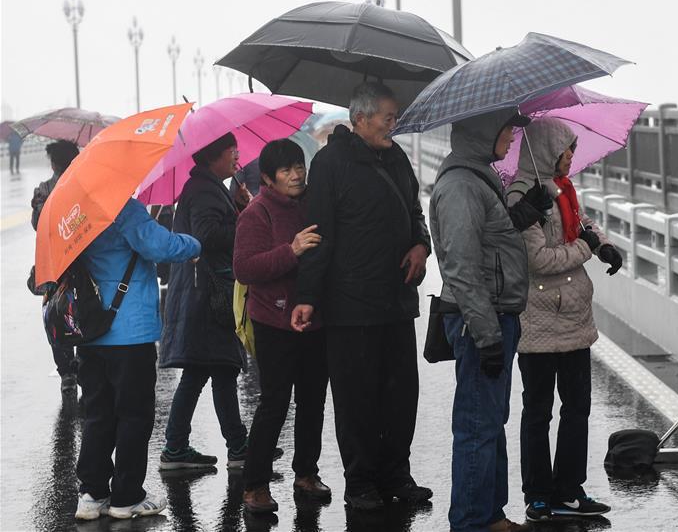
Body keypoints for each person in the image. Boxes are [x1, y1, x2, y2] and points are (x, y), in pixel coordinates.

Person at [291, 81, 432, 511]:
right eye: (388, 117)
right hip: (349, 305)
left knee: (401, 395)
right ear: (360, 119)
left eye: (395, 117)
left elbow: (414, 212)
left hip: (396, 300)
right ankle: (361, 483)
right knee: (356, 400)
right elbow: (319, 235)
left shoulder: (398, 158)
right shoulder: (330, 164)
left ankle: (397, 475)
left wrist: (421, 245)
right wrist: (308, 296)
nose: (394, 125)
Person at [429, 107, 551, 532]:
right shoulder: (462, 185)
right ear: (484, 132)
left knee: (490, 421)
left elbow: (489, 239)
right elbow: (462, 266)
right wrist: (486, 337)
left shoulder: (477, 176)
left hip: (495, 314)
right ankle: (470, 521)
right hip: (481, 320)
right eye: (506, 130)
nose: (511, 138)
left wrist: (525, 212)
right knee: (477, 425)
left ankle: (490, 514)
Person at [506, 118, 620, 521]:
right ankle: (538, 495)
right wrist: (588, 250)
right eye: (567, 148)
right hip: (538, 317)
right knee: (538, 410)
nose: (572, 155)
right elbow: (537, 260)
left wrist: (604, 245)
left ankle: (569, 490)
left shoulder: (562, 190)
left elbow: (583, 226)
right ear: (548, 149)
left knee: (577, 408)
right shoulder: (525, 194)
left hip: (573, 316)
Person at [74, 198, 201, 520]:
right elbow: (161, 247)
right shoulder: (122, 207)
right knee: (133, 415)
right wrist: (194, 242)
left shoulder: (74, 213)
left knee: (97, 414)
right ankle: (126, 497)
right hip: (129, 331)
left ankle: (92, 494)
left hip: (88, 330)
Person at [233, 139, 330, 514]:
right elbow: (245, 268)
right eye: (287, 170)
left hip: (314, 319)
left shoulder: (310, 205)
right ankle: (255, 484)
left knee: (313, 401)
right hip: (272, 321)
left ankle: (306, 474)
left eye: (299, 166)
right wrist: (291, 251)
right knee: (275, 402)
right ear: (268, 178)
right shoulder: (257, 214)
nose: (297, 174)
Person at [159, 133, 256, 470]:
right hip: (206, 295)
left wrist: (239, 207)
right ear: (216, 154)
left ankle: (220, 445)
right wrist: (245, 219)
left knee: (214, 369)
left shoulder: (209, 186)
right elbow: (207, 236)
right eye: (233, 151)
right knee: (215, 368)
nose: (237, 156)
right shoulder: (203, 190)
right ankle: (230, 446)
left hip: (205, 292)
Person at [31, 139, 81, 393]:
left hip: (54, 268)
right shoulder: (83, 187)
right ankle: (84, 364)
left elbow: (38, 224)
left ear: (53, 162)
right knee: (84, 314)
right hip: (84, 264)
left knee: (55, 316)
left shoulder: (44, 190)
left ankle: (67, 374)